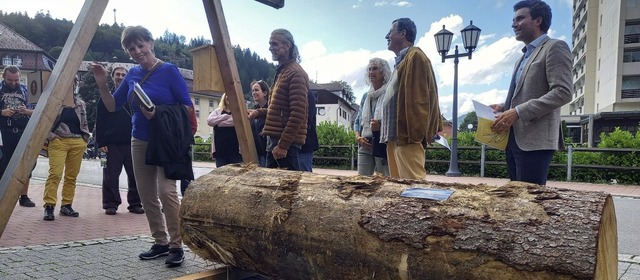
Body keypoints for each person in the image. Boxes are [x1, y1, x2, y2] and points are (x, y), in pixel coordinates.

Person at [89, 25, 192, 267]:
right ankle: (160, 242)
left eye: (140, 45)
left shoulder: (169, 71)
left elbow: (187, 107)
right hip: (139, 139)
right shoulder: (133, 74)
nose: (137, 51)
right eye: (131, 48)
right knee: (146, 195)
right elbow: (114, 105)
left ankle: (177, 245)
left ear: (151, 43)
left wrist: (158, 113)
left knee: (166, 191)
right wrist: (103, 83)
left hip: (165, 140)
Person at [490, 0, 572, 186]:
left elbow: (563, 91)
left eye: (520, 18)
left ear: (538, 21)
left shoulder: (555, 47)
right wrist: (504, 107)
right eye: (513, 19)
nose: (513, 24)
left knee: (530, 201)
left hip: (536, 141)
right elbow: (523, 94)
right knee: (516, 199)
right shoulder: (521, 58)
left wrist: (518, 111)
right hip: (513, 139)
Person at [379, 18, 442, 179]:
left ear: (402, 34)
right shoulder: (402, 61)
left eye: (390, 32)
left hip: (407, 136)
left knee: (414, 187)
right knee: (399, 189)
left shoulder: (415, 57)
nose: (387, 36)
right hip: (396, 137)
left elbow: (422, 99)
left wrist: (417, 133)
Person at [249, 29, 309, 171]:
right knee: (271, 189)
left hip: (284, 145)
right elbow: (277, 109)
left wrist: (283, 145)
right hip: (275, 141)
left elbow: (298, 113)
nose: (270, 48)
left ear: (287, 46)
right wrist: (258, 113)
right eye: (270, 44)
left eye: (274, 44)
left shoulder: (295, 73)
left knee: (288, 190)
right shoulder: (282, 71)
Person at [95, 66, 144, 216]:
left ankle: (135, 203)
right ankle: (110, 204)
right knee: (110, 176)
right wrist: (101, 143)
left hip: (132, 142)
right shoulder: (105, 98)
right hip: (111, 144)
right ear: (113, 77)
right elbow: (100, 121)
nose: (120, 77)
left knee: (136, 175)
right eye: (118, 74)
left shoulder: (133, 97)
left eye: (123, 74)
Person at [42, 79, 90, 221]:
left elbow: (85, 122)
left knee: (71, 176)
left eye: (73, 85)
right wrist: (51, 136)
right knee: (55, 174)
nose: (71, 87)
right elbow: (44, 121)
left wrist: (84, 139)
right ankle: (49, 206)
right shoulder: (55, 102)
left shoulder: (80, 104)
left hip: (77, 142)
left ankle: (66, 205)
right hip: (59, 141)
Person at [0, 65, 36, 207]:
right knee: (3, 165)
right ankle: (2, 195)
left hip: (23, 131)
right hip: (4, 133)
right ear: (4, 77)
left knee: (27, 164)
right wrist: (1, 112)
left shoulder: (26, 89)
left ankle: (24, 196)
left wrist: (26, 111)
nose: (14, 83)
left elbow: (38, 109)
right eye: (10, 80)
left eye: (16, 80)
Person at [354, 58, 391, 176]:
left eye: (374, 69)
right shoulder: (366, 96)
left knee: (383, 181)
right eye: (369, 69)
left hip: (382, 143)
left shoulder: (390, 94)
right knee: (362, 182)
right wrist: (358, 138)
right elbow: (357, 121)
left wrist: (380, 126)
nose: (371, 72)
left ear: (383, 72)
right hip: (365, 143)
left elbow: (394, 119)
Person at [207, 93, 243, 168]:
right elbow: (209, 121)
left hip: (236, 152)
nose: (229, 97)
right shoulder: (218, 111)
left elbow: (236, 121)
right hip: (220, 152)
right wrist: (224, 116)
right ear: (224, 98)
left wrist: (218, 123)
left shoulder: (238, 111)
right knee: (221, 176)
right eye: (227, 95)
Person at [249, 80, 269, 167]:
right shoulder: (254, 109)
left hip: (268, 152)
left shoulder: (270, 109)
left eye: (256, 90)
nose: (254, 93)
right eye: (252, 91)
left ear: (265, 93)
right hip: (257, 153)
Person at [299, 90, 318, 172]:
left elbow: (307, 120)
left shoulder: (308, 94)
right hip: (296, 143)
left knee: (304, 173)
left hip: (305, 143)